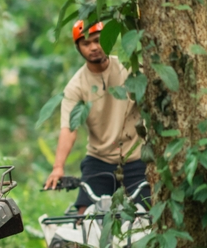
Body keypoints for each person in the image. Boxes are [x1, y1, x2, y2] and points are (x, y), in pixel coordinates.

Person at [43, 20, 149, 209]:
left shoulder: (130, 69)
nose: (93, 47)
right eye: (86, 43)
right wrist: (58, 167)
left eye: (97, 40)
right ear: (78, 48)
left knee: (149, 213)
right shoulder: (76, 86)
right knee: (84, 215)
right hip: (100, 160)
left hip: (136, 157)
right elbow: (69, 128)